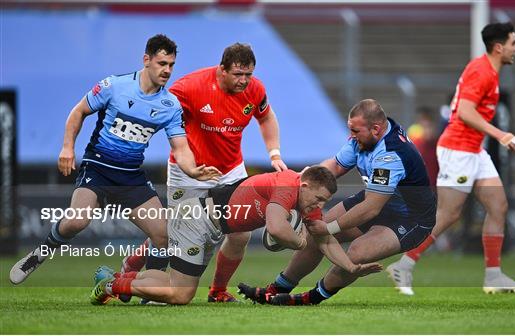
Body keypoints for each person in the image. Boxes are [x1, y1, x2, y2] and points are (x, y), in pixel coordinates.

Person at [9, 34, 220, 285]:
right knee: (77, 221)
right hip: (98, 166)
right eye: (162, 63)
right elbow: (79, 112)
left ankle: (149, 289)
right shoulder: (114, 86)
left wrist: (192, 170)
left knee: (163, 235)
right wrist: (68, 148)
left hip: (129, 175)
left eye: (171, 65)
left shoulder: (170, 105)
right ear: (146, 60)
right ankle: (40, 254)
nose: (167, 70)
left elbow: (181, 148)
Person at [120, 43, 288, 303]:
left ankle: (217, 290)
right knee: (170, 234)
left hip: (231, 171)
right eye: (238, 74)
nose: (244, 81)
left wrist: (274, 153)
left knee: (240, 234)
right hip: (188, 172)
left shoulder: (255, 89)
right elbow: (157, 105)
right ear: (222, 70)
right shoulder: (190, 87)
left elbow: (266, 118)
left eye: (248, 75)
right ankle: (138, 272)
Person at [238, 99, 436, 305]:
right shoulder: (366, 135)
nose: (351, 136)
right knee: (316, 233)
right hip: (380, 199)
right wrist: (304, 180)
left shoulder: (390, 155)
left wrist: (330, 227)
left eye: (355, 131)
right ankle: (276, 290)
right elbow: (334, 166)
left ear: (376, 129)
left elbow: (371, 208)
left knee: (357, 251)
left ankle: (308, 299)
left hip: (410, 218)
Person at [90, 166, 382, 305]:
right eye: (317, 199)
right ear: (305, 185)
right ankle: (113, 284)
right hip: (197, 219)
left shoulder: (307, 201)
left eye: (323, 203)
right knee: (180, 295)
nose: (319, 207)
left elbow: (325, 239)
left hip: (209, 225)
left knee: (174, 285)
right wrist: (301, 241)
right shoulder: (287, 185)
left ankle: (113, 282)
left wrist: (351, 267)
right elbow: (278, 230)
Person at [387, 22, 515, 295]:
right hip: (458, 150)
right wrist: (501, 135)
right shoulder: (482, 71)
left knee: (498, 206)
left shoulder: (488, 70)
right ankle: (404, 264)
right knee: (449, 214)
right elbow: (464, 111)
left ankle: (494, 276)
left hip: (474, 150)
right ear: (499, 47)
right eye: (514, 43)